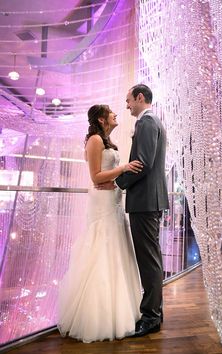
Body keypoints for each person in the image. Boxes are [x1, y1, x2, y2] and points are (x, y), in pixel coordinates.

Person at [57, 104, 143, 343]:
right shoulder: (94, 140)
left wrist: (117, 178)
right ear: (103, 119)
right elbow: (95, 177)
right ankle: (100, 315)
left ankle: (122, 307)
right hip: (102, 202)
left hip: (112, 198)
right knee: (102, 249)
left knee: (117, 249)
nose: (116, 114)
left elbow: (107, 175)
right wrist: (123, 168)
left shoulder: (107, 141)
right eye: (111, 112)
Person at [115, 84, 169, 337]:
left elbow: (144, 163)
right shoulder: (152, 122)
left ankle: (150, 317)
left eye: (128, 100)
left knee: (148, 260)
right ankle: (155, 311)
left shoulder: (146, 123)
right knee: (152, 258)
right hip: (150, 201)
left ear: (139, 97)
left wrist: (120, 182)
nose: (127, 105)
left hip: (145, 202)